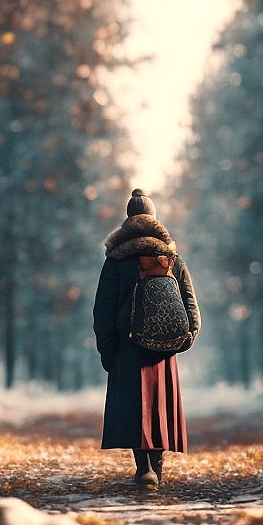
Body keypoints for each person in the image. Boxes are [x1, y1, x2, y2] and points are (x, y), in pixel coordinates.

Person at [93, 188, 200, 491]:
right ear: (153, 218)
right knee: (160, 409)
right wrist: (187, 336)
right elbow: (190, 302)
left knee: (136, 409)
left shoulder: (116, 259)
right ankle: (158, 470)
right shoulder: (170, 257)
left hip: (129, 347)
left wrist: (107, 350)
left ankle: (143, 470)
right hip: (164, 348)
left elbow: (103, 308)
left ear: (128, 218)